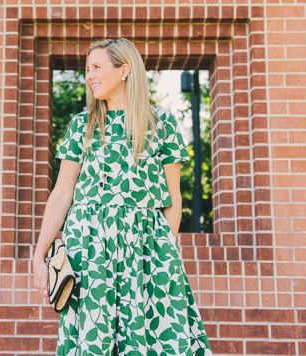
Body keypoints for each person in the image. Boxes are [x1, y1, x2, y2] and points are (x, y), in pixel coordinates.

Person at [32, 38, 213, 356]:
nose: (89, 75)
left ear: (125, 70)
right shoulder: (82, 125)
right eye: (88, 69)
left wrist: (162, 255)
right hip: (89, 249)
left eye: (97, 67)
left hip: (145, 248)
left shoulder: (161, 124)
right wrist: (39, 254)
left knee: (154, 336)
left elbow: (174, 199)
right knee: (95, 337)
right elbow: (61, 194)